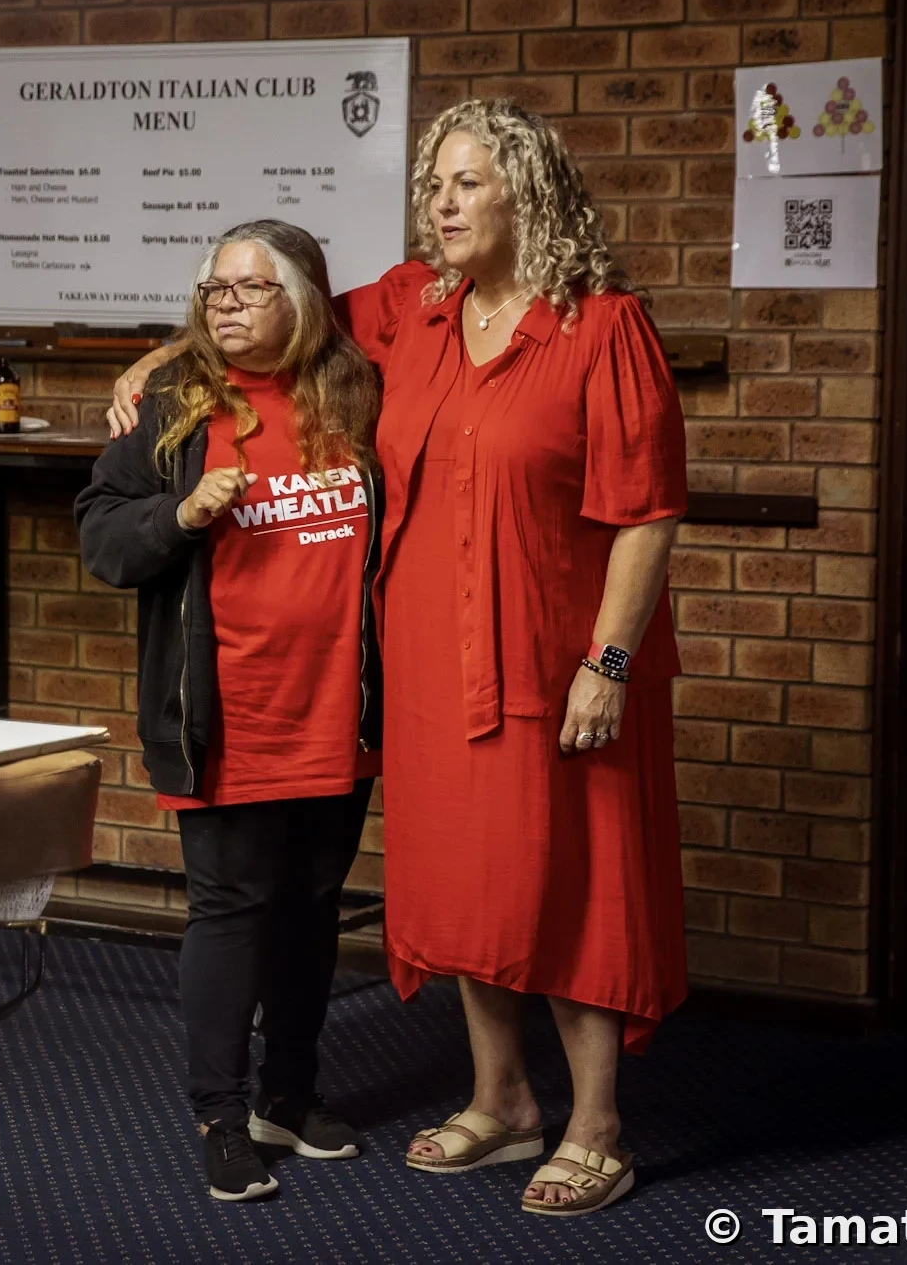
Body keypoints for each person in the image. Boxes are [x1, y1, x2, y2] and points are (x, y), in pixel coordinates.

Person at [109, 99, 688, 1217]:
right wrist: (167, 350)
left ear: (527, 191)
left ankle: (596, 1126)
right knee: (466, 882)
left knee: (574, 882)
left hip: (554, 657)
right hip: (426, 662)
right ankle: (501, 1100)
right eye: (433, 185)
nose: (442, 204)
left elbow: (647, 511)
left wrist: (608, 662)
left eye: (466, 183)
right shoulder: (414, 307)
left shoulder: (602, 327)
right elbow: (275, 307)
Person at [76, 219, 382, 1204]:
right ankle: (220, 1113)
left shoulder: (358, 389)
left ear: (303, 300)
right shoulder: (170, 401)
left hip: (336, 707)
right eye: (214, 289)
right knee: (231, 909)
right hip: (225, 711)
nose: (226, 305)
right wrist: (182, 513)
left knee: (311, 906)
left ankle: (288, 1096)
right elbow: (101, 539)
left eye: (251, 288)